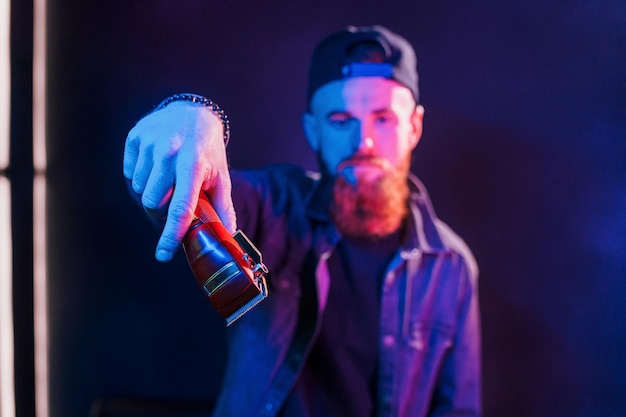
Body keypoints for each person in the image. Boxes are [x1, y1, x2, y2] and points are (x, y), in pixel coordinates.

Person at [123, 25, 481, 417]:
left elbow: (457, 409)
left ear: (413, 126)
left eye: (383, 119)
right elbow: (189, 191)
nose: (364, 142)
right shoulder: (273, 205)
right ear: (314, 130)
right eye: (341, 119)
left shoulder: (452, 265)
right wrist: (190, 120)